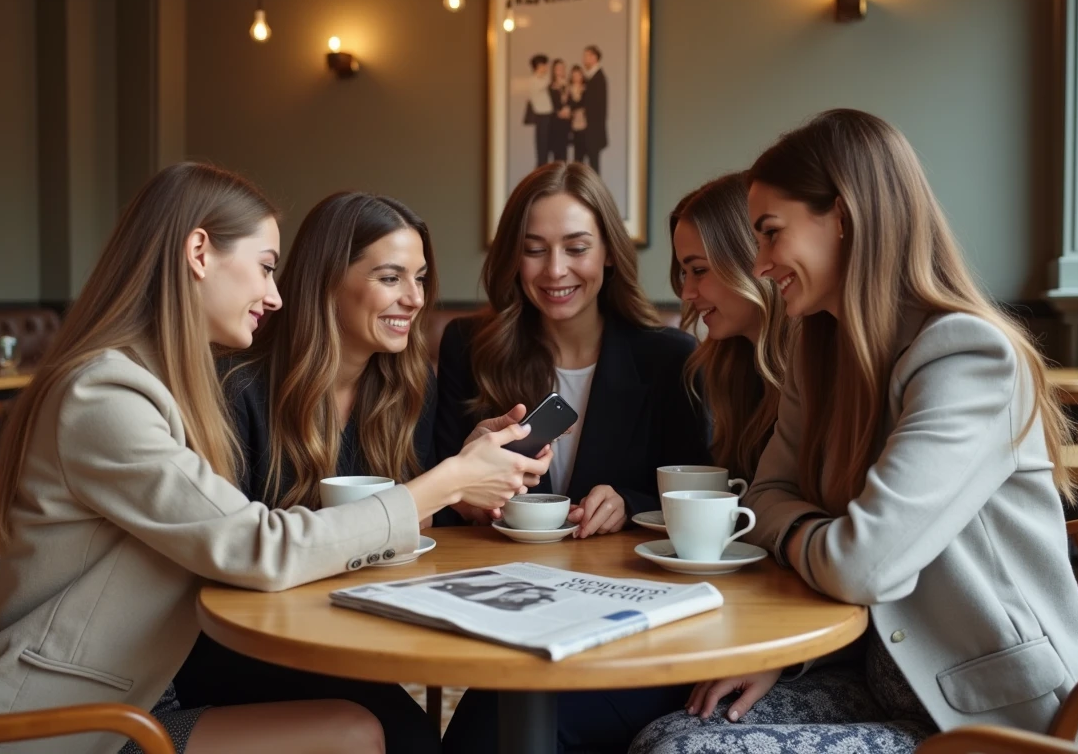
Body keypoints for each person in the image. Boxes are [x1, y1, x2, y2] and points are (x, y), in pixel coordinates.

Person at [0, 163, 547, 754]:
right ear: (199, 254)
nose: (276, 296)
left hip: (137, 696)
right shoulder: (104, 397)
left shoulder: (156, 385)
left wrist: (452, 482)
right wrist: (445, 482)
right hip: (69, 727)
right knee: (364, 734)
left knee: (384, 731)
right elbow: (260, 546)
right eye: (266, 267)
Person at [632, 109, 1078, 754]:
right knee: (666, 730)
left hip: (986, 719)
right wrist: (795, 625)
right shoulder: (818, 351)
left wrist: (801, 529)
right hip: (879, 675)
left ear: (845, 217)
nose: (761, 263)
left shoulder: (968, 358)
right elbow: (766, 493)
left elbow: (860, 565)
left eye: (770, 234)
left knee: (681, 750)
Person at [173, 191, 551, 754]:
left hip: (347, 627)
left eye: (420, 279)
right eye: (391, 277)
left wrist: (461, 494)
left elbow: (398, 520)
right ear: (327, 280)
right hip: (242, 645)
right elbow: (231, 556)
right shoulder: (237, 388)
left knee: (423, 736)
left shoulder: (405, 391)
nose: (415, 298)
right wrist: (446, 480)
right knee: (408, 739)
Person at [439, 161, 711, 754]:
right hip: (514, 621)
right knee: (482, 732)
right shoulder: (470, 347)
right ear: (513, 257)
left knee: (497, 735)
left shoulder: (669, 358)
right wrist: (465, 483)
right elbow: (440, 503)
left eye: (576, 248)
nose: (556, 270)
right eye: (534, 250)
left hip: (631, 633)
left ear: (609, 253)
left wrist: (631, 502)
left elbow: (704, 494)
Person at [669, 173, 791, 482]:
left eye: (699, 270)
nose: (686, 293)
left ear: (749, 258)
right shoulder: (728, 366)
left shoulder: (814, 362)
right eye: (685, 274)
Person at [579, 45, 607, 175]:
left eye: (587, 56)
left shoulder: (598, 78)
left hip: (593, 131)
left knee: (594, 168)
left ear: (594, 57)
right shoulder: (590, 77)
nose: (584, 59)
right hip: (589, 131)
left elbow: (598, 108)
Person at [527, 54, 554, 166]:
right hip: (542, 117)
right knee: (542, 149)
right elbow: (548, 82)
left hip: (548, 117)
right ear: (539, 66)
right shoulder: (534, 80)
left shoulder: (542, 79)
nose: (547, 68)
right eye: (545, 65)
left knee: (547, 148)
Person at [548, 59, 572, 162]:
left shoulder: (569, 86)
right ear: (553, 70)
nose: (560, 70)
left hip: (566, 124)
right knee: (556, 153)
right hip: (555, 124)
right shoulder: (550, 87)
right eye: (558, 68)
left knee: (564, 152)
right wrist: (558, 112)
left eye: (562, 68)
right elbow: (550, 105)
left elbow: (572, 102)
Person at [568, 65, 588, 164]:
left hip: (585, 123)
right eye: (574, 75)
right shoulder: (568, 90)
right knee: (577, 154)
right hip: (574, 124)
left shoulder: (586, 89)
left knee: (584, 151)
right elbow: (571, 105)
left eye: (578, 75)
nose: (576, 77)